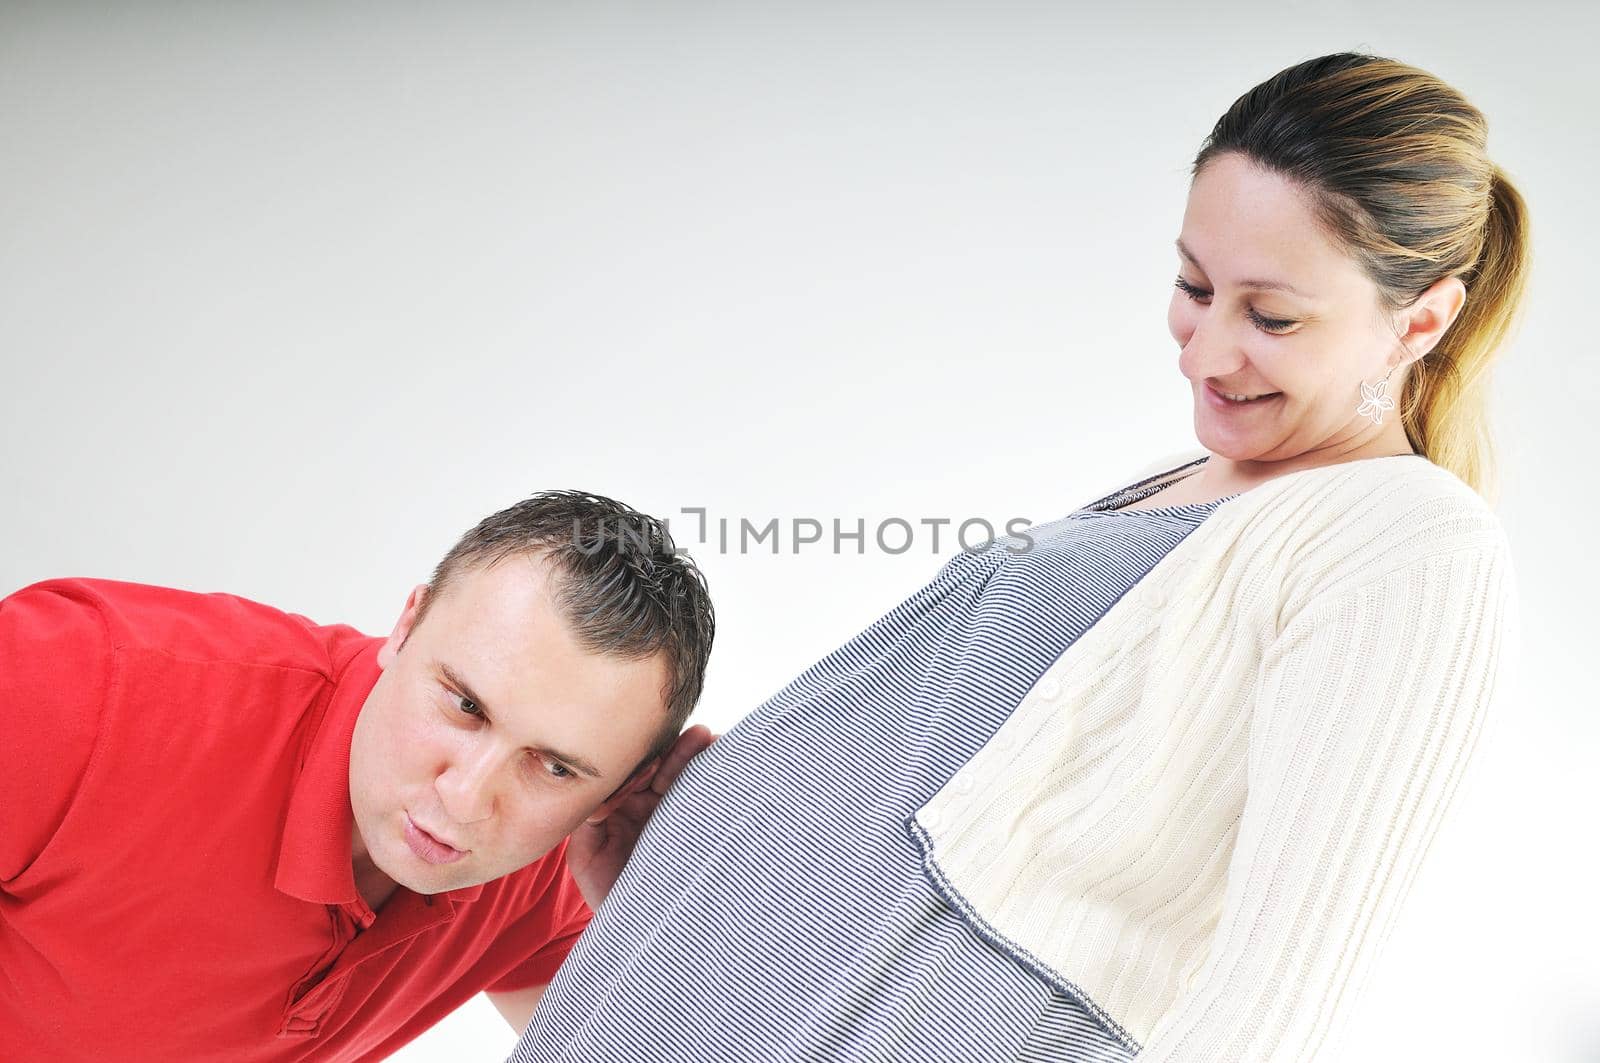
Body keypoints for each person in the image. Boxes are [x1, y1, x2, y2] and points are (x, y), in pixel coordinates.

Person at [508, 52, 1526, 1063]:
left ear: (1421, 318)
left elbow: (1279, 1001)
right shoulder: (1183, 482)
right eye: (1192, 283)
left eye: (1269, 316)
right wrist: (696, 882)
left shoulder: (1413, 545)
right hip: (691, 980)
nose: (1204, 351)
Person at [0, 490, 716, 1062]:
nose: (464, 798)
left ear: (617, 791)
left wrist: (642, 916)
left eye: (555, 766)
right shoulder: (76, 683)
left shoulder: (548, 868)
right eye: (464, 704)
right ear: (406, 625)